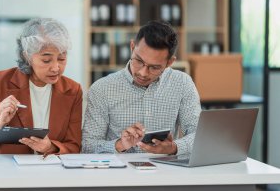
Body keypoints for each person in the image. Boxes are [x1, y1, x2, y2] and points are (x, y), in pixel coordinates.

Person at [82, 20, 201, 155]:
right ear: (132, 47)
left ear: (170, 62)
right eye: (139, 61)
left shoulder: (182, 83)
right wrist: (120, 144)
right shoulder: (101, 89)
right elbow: (88, 146)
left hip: (165, 172)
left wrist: (174, 147)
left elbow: (199, 134)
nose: (143, 73)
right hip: (118, 173)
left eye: (154, 67)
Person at [0, 18, 82, 155]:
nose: (56, 67)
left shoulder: (73, 90)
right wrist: (0, 123)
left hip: (51, 172)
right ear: (27, 56)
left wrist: (50, 147)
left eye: (62, 58)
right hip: (7, 172)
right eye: (46, 60)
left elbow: (74, 146)